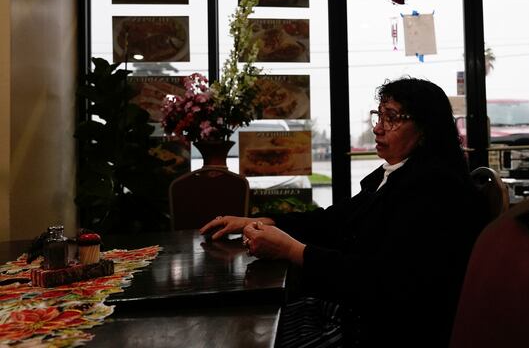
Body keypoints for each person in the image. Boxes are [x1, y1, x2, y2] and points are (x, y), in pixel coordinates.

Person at [200, 77, 488, 347]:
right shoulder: (394, 175)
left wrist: (291, 250)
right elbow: (331, 221)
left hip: (385, 331)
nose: (377, 127)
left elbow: (381, 281)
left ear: (425, 130)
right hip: (359, 313)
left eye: (392, 118)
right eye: (379, 115)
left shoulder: (434, 188)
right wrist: (259, 220)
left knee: (243, 335)